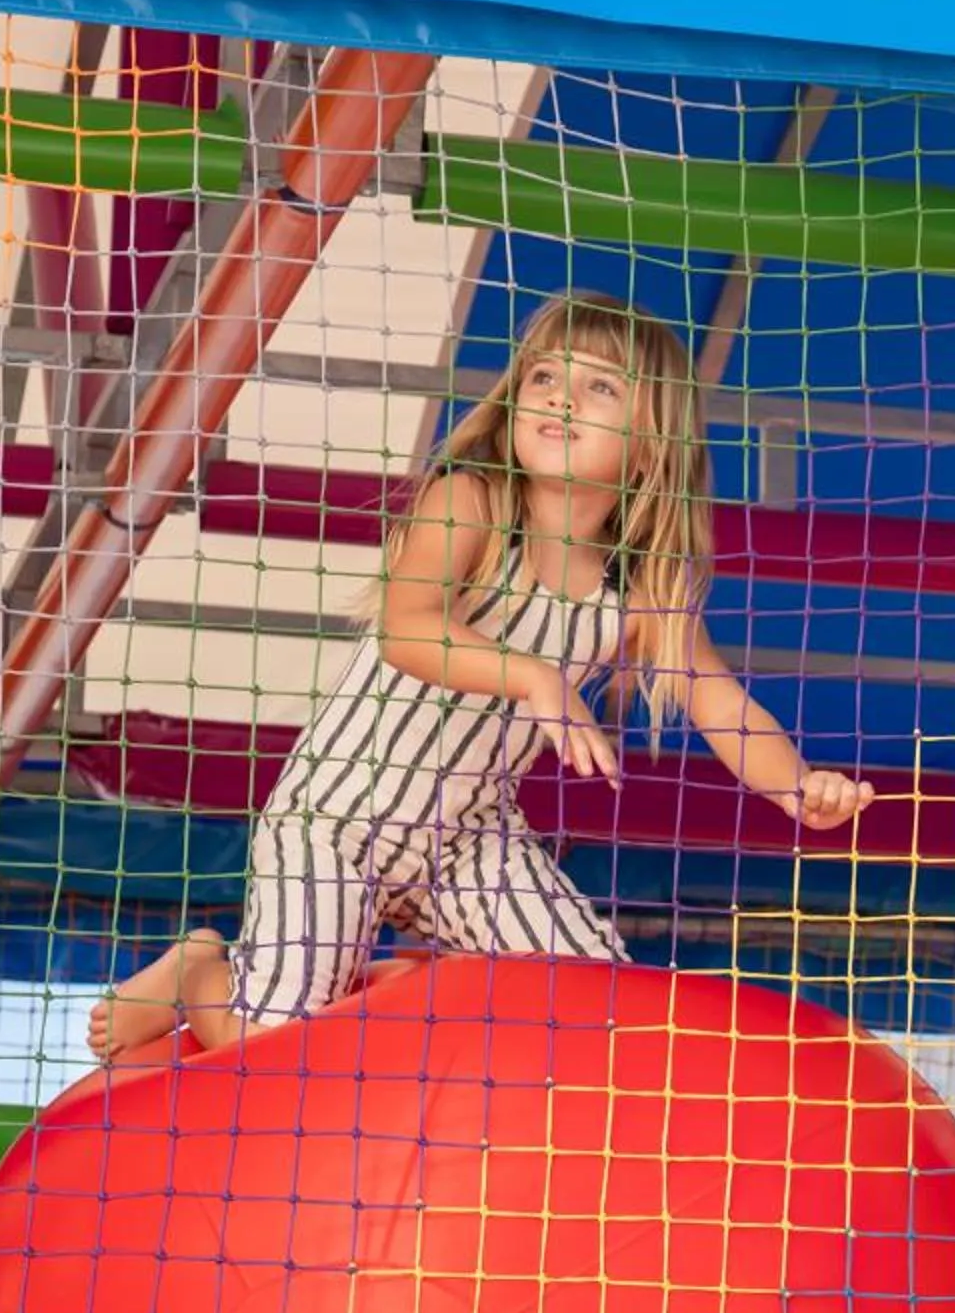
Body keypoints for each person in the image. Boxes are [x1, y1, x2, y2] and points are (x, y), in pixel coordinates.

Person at [87, 291, 871, 1058]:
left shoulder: (639, 587)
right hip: (334, 820)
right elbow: (406, 627)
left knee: (602, 1007)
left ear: (650, 439)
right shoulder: (472, 502)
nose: (561, 399)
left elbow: (717, 700)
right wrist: (536, 678)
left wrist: (798, 786)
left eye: (599, 386)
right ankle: (200, 970)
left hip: (467, 842)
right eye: (544, 378)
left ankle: (392, 982)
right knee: (267, 1043)